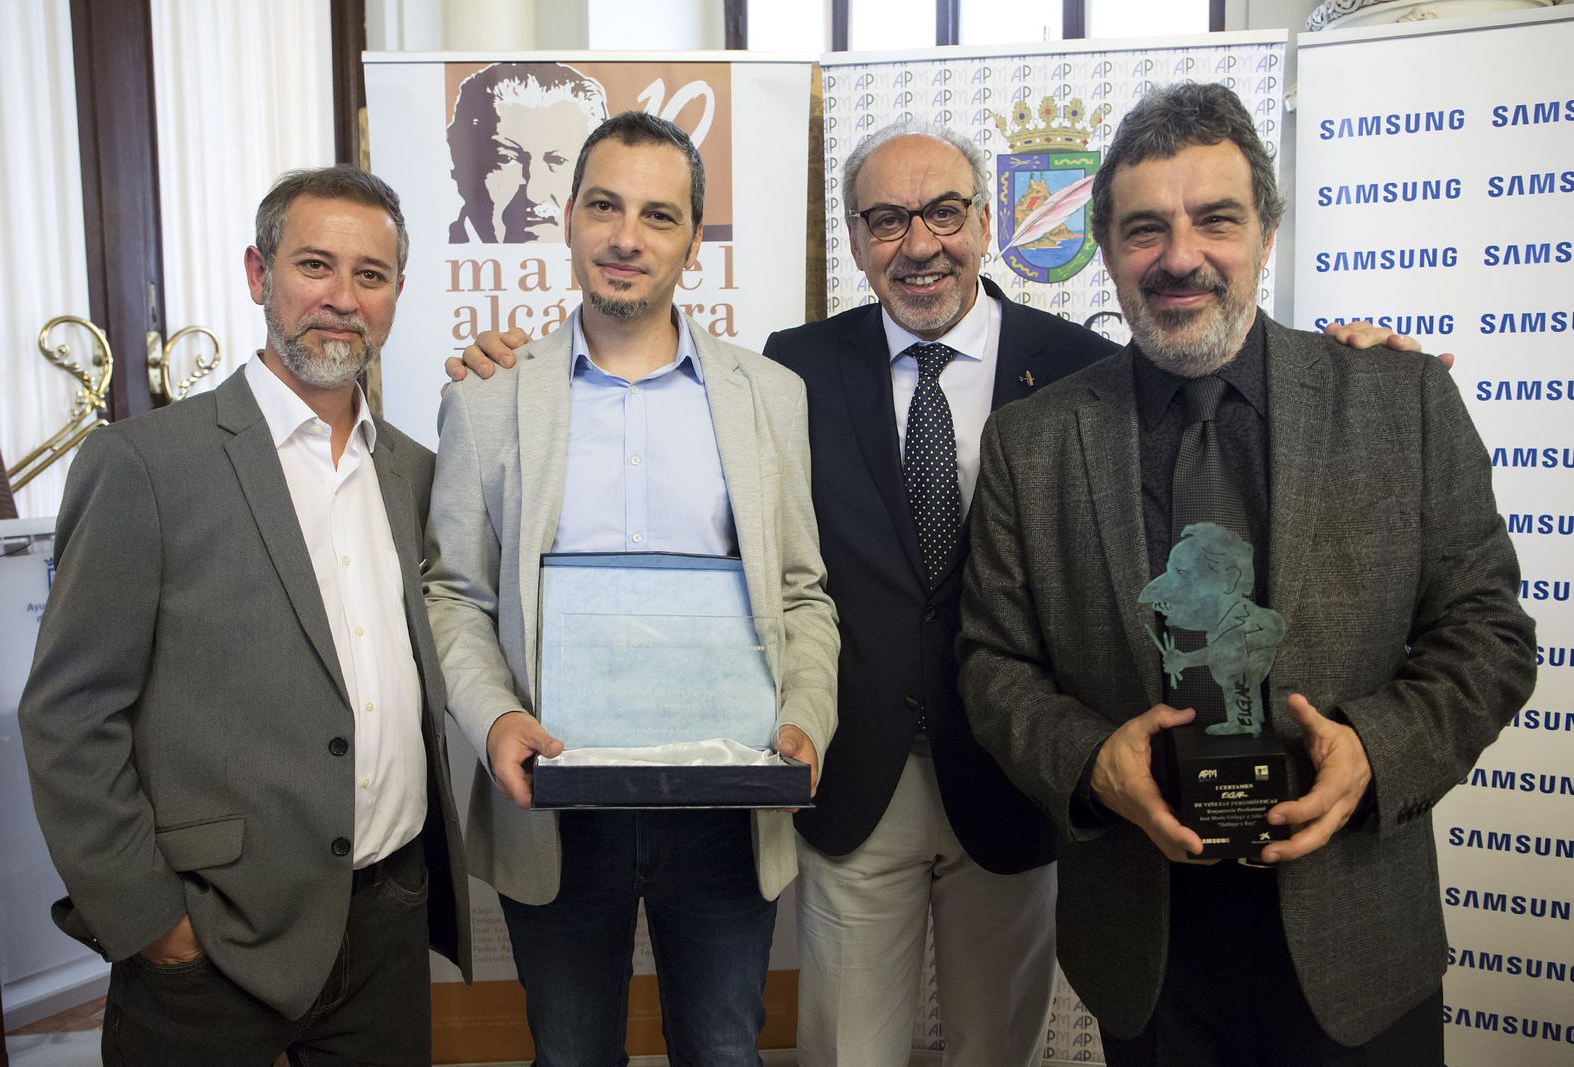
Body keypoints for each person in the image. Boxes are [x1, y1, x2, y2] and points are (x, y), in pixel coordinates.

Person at [449, 116, 1434, 1067]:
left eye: (944, 213)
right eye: (886, 220)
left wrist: (1354, 365)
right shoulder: (794, 368)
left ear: (985, 224)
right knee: (841, 1047)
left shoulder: (1089, 368)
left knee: (994, 1044)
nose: (918, 244)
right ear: (855, 239)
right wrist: (506, 363)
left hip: (1018, 777)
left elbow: (1226, 383)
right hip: (854, 772)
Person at [957, 82, 1536, 1066]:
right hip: (1149, 949)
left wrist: (1374, 749)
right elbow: (992, 663)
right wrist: (1091, 760)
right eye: (1145, 228)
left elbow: (1486, 633)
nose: (1179, 256)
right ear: (1106, 248)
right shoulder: (1031, 442)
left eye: (1214, 219)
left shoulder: (1401, 402)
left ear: (1265, 229)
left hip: (1358, 937)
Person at [18, 165, 471, 1065]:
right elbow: (69, 715)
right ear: (259, 276)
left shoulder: (414, 471)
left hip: (386, 918)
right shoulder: (144, 465)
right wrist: (152, 921)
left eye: (370, 276)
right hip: (211, 937)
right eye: (315, 266)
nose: (342, 299)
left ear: (396, 297)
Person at [423, 111, 838, 1066]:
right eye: (604, 206)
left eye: (659, 215)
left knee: (726, 1048)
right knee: (569, 1053)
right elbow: (455, 594)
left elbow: (804, 591)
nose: (625, 237)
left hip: (728, 805)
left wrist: (808, 717)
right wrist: (491, 720)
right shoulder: (488, 402)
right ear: (566, 219)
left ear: (694, 238)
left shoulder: (771, 396)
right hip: (558, 808)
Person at [447, 60, 607, 244]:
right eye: (507, 159)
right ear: (459, 168)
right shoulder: (426, 264)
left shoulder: (605, 267)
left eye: (558, 161)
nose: (534, 194)